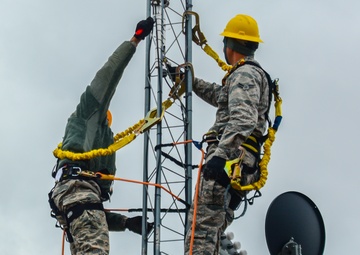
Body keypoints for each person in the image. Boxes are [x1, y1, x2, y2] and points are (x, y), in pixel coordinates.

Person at [48, 17, 155, 255]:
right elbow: (107, 76)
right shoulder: (88, 114)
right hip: (76, 195)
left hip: (74, 203)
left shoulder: (90, 176)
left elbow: (92, 211)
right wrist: (135, 40)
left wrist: (126, 223)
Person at [183, 14, 270, 254]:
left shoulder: (244, 74)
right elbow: (223, 98)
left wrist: (220, 155)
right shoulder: (247, 74)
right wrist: (190, 81)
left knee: (200, 234)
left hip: (229, 161)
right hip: (239, 165)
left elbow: (243, 119)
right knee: (212, 230)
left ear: (229, 45)